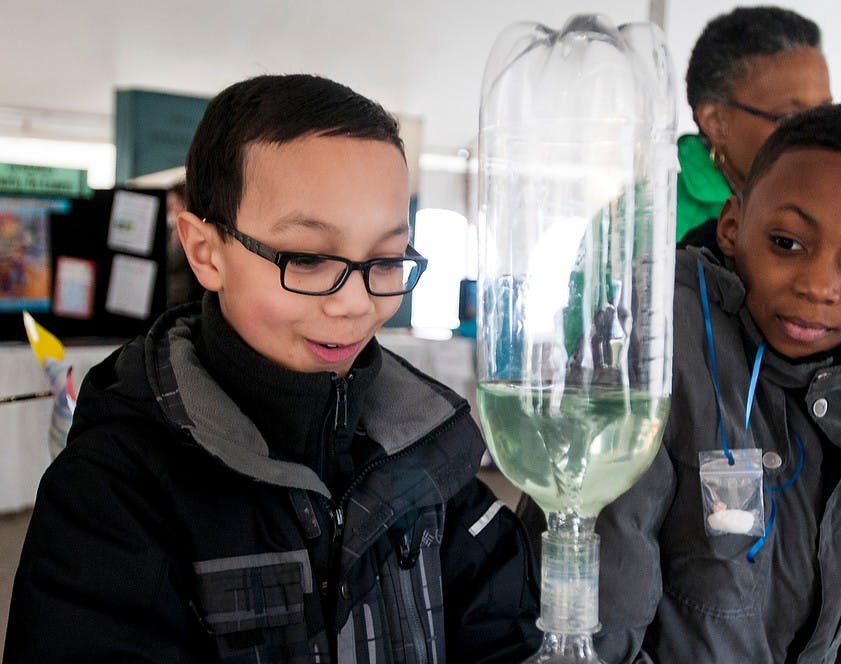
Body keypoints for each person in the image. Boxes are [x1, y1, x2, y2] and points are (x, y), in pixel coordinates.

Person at [5, 74, 541, 662]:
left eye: (386, 260)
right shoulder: (113, 493)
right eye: (308, 259)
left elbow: (508, 638)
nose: (355, 303)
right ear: (206, 251)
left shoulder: (432, 452)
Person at [560, 103, 841, 662]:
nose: (818, 285)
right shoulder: (654, 343)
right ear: (734, 226)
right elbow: (597, 617)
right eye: (787, 243)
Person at [676, 5, 832, 242]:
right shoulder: (658, 213)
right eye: (790, 118)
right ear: (716, 122)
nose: (819, 134)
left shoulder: (836, 191)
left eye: (825, 113)